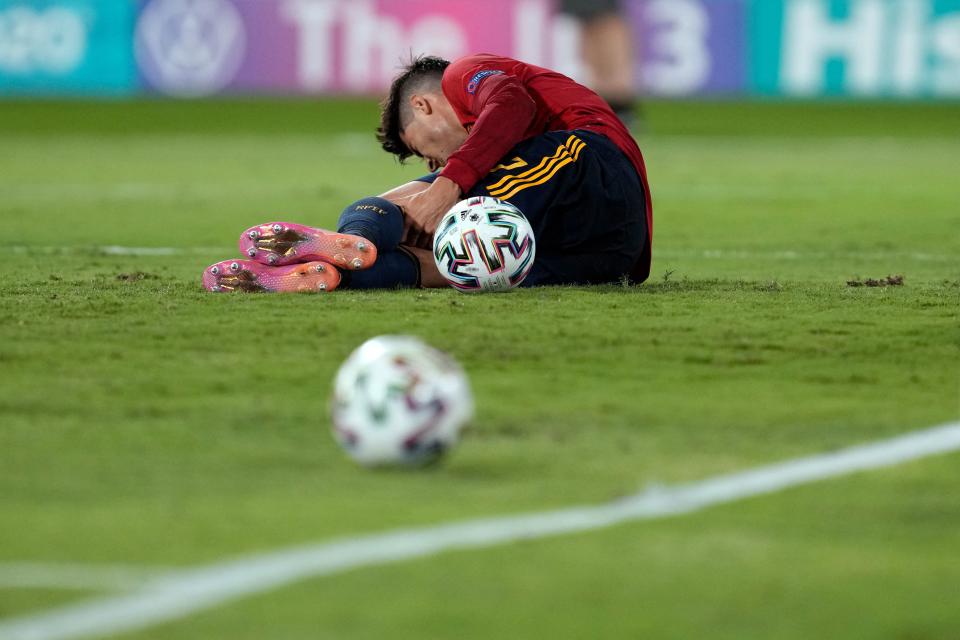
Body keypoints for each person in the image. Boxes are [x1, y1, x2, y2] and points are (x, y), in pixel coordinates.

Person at [202, 54, 652, 293]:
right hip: (609, 258)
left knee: (432, 203)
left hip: (595, 160)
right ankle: (331, 271)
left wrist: (449, 183)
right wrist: (446, 184)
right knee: (474, 267)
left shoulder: (464, 75)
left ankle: (354, 230)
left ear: (423, 105)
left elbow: (514, 103)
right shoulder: (497, 155)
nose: (434, 165)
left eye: (425, 151)